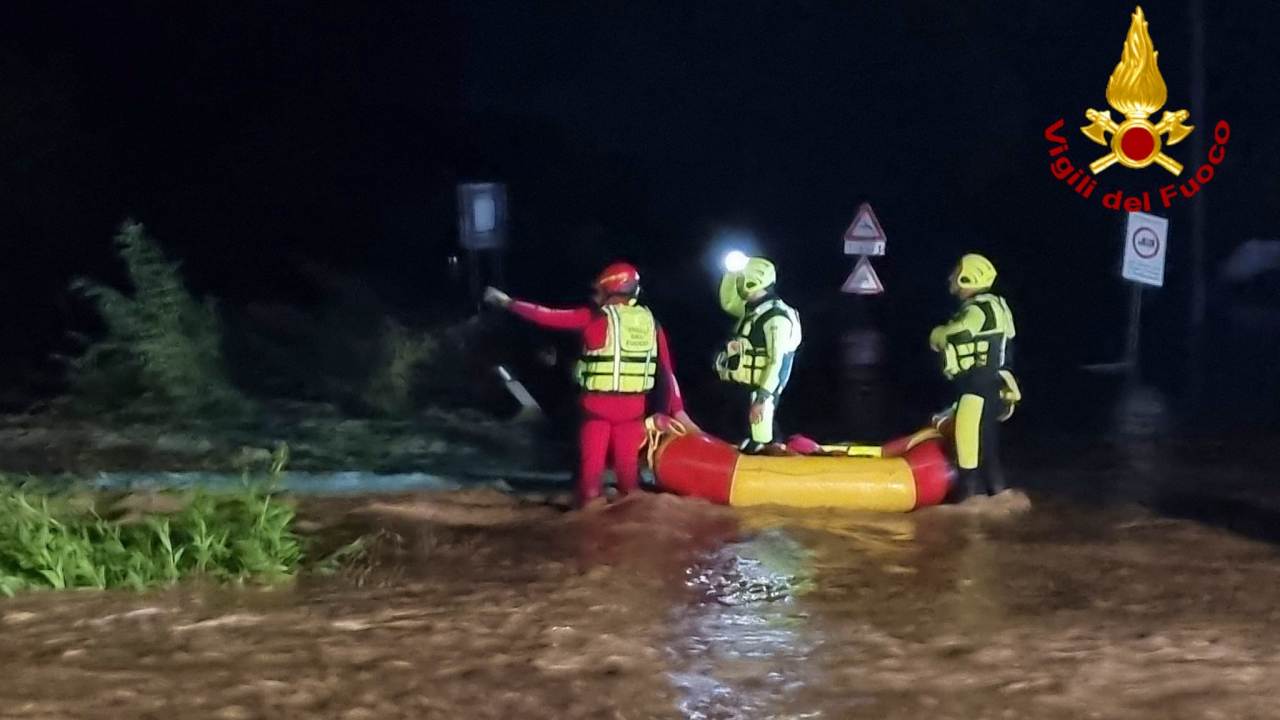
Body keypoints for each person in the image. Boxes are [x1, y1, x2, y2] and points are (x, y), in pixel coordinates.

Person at [483, 262, 697, 508]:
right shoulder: (652, 323)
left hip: (597, 410)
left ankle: (589, 520)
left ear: (609, 290)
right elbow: (666, 371)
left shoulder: (594, 318)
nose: (595, 296)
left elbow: (547, 316)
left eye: (598, 292)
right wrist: (675, 410)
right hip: (633, 411)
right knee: (629, 479)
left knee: (590, 480)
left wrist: (508, 303)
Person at [928, 253, 1018, 499]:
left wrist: (937, 334)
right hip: (993, 387)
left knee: (966, 445)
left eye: (957, 273)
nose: (952, 278)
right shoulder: (998, 306)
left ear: (969, 277)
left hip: (976, 388)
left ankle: (969, 505)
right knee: (988, 446)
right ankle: (998, 495)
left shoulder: (979, 310)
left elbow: (957, 334)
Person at [714, 256, 802, 453]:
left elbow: (776, 361)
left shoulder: (776, 317)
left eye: (740, 278)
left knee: (761, 440)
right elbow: (728, 302)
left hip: (761, 391)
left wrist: (762, 398)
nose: (738, 282)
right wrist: (730, 273)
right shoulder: (753, 310)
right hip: (744, 388)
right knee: (747, 439)